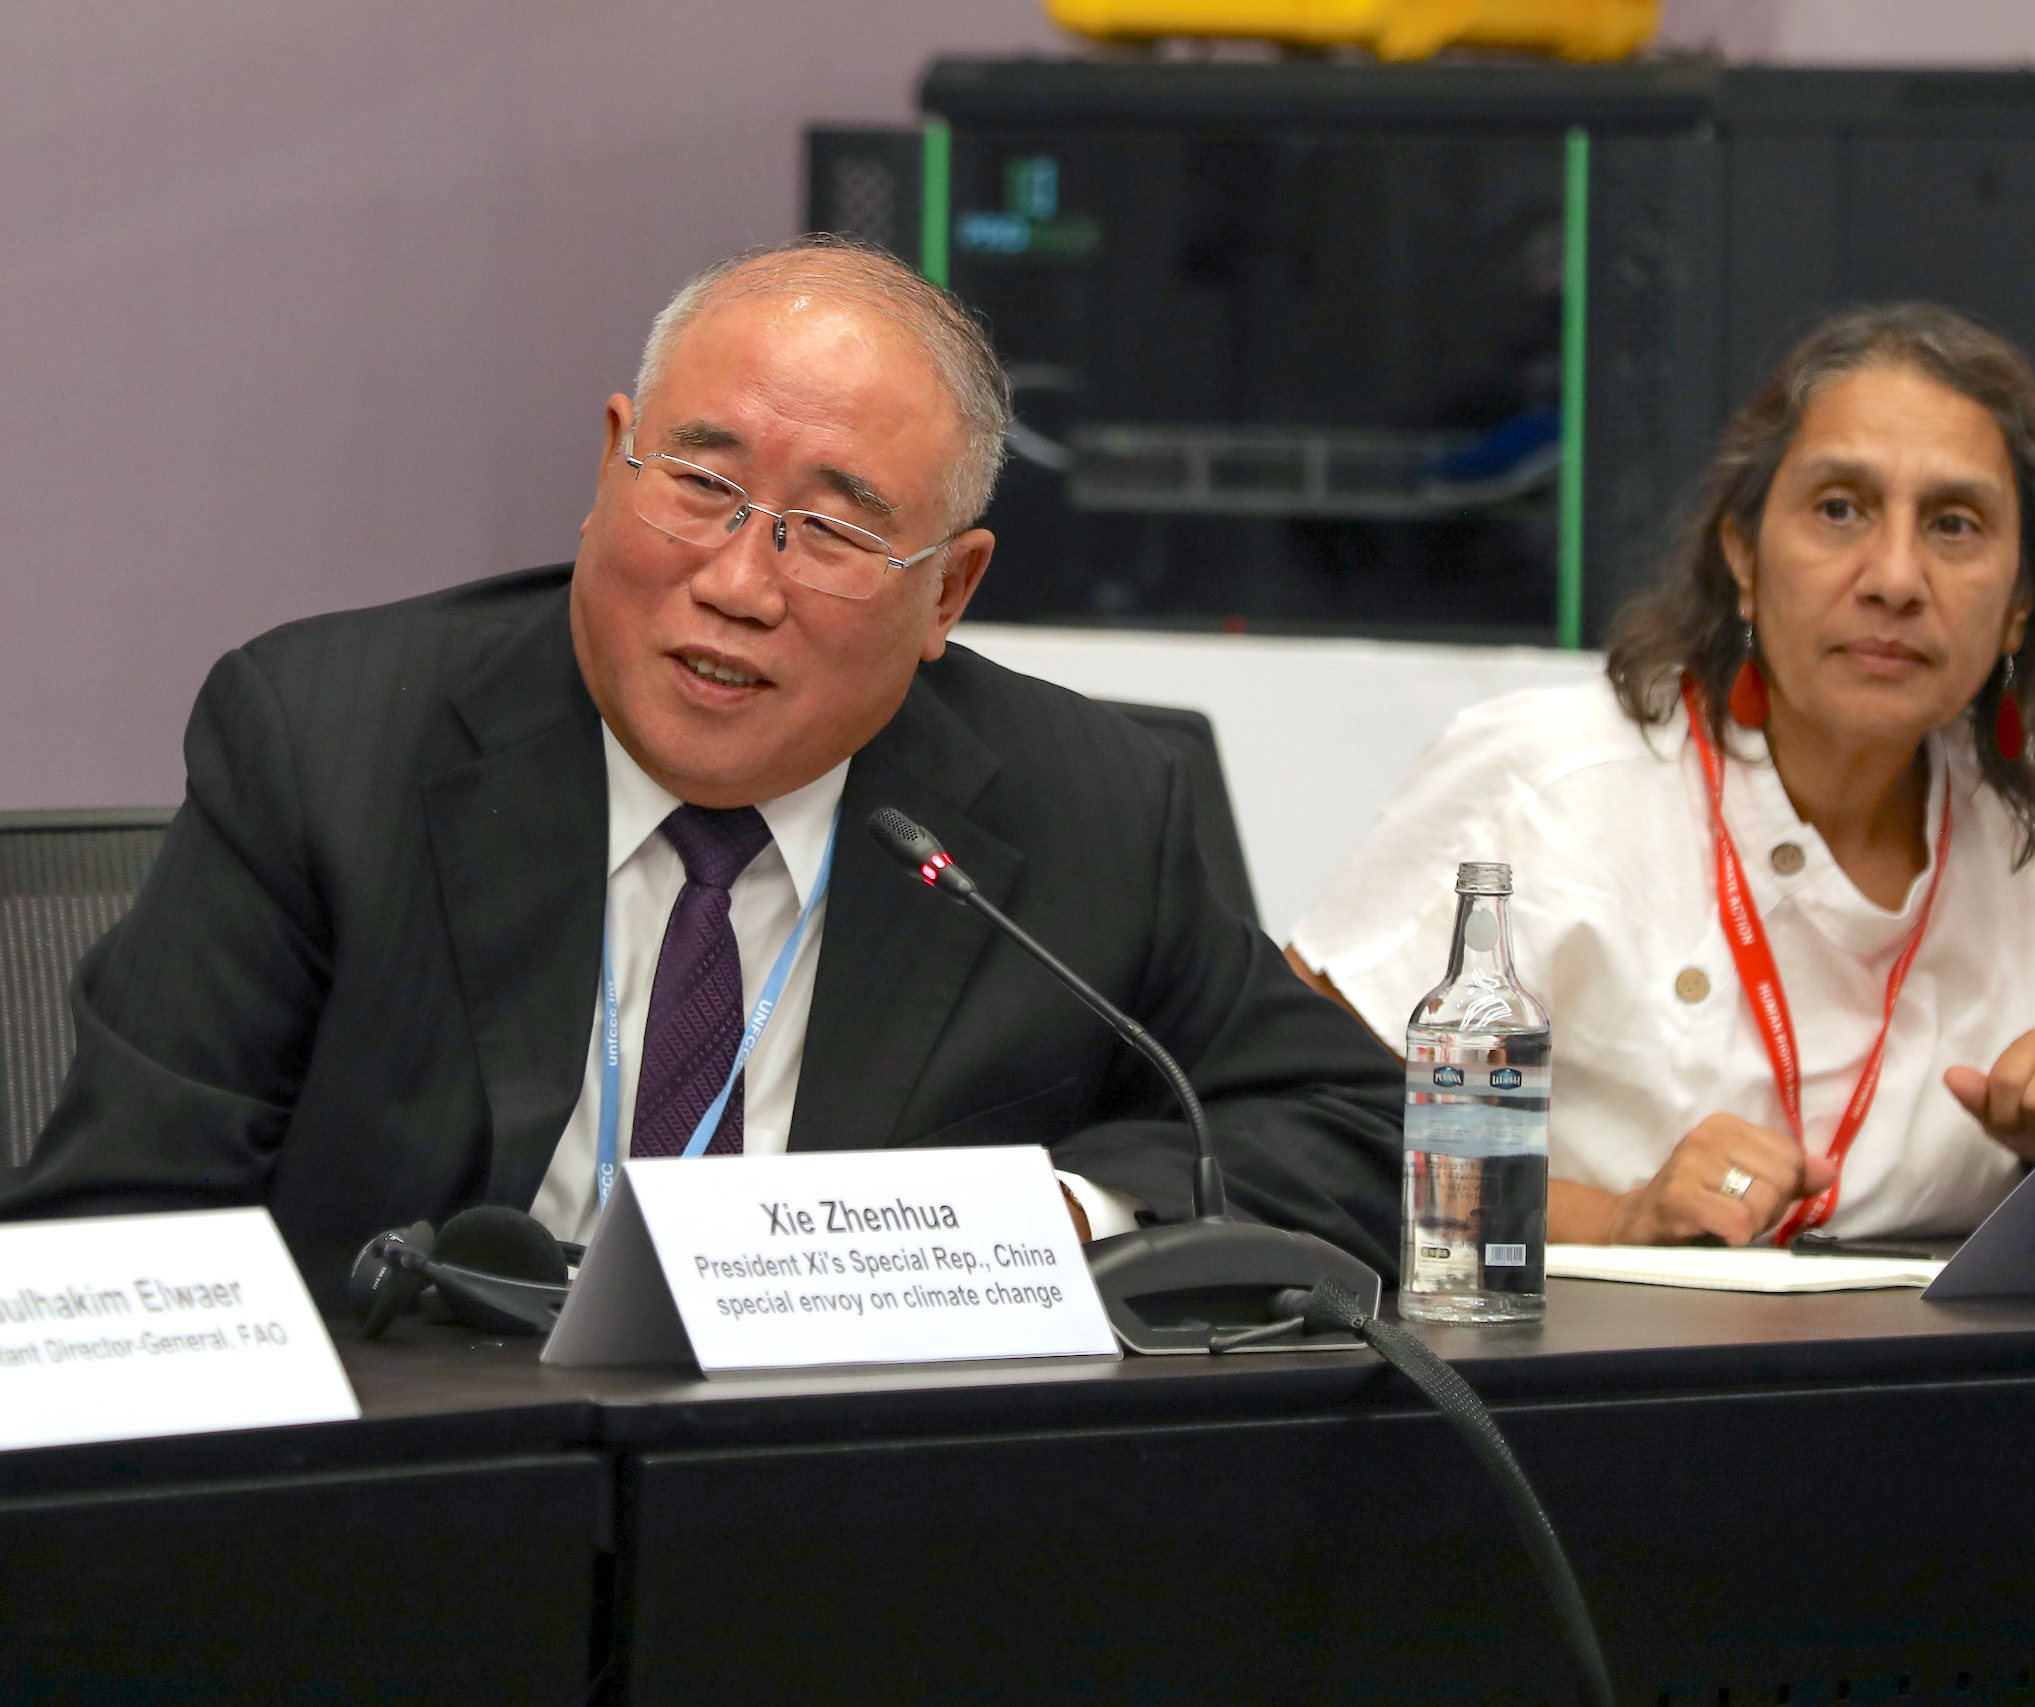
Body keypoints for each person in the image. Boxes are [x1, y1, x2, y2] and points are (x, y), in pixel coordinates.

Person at [3, 236, 1403, 1304]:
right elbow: (115, 1224)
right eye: (700, 485)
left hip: (840, 1524)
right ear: (613, 460)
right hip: (404, 1510)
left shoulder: (1080, 801)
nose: (739, 581)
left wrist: (1070, 1214)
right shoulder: (324, 741)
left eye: (836, 531)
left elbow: (1346, 1126)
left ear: (950, 593)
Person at [1290, 303, 2035, 1248]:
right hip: (1565, 1377)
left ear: (2019, 605)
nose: (1894, 576)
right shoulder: (1555, 781)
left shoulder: (2027, 836)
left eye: (1954, 525)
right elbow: (1300, 1122)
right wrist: (1619, 1219)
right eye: (1840, 509)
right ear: (1745, 558)